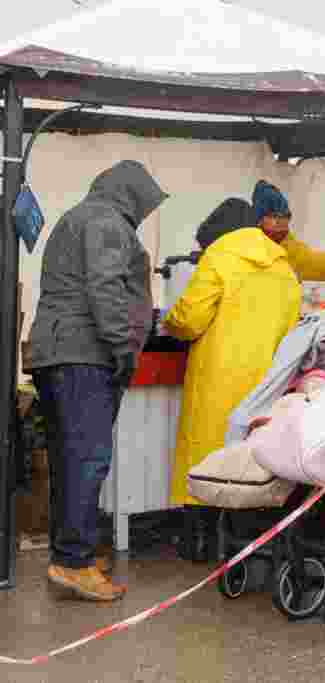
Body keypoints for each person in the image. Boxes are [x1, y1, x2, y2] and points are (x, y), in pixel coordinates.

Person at [25, 160, 168, 601]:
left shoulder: (82, 216)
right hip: (84, 353)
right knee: (87, 460)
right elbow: (105, 290)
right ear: (130, 194)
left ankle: (70, 554)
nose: (145, 213)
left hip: (60, 352)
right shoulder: (107, 222)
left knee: (71, 460)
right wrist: (124, 349)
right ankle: (73, 562)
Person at [163, 198, 303, 559]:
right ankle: (245, 543)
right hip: (265, 383)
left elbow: (189, 318)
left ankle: (200, 544)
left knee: (204, 457)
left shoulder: (219, 257)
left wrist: (169, 321)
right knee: (249, 461)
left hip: (216, 376)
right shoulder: (284, 268)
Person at [252, 179, 325, 282]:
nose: (280, 222)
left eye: (285, 216)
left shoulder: (290, 249)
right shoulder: (247, 247)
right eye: (273, 216)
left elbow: (312, 262)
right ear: (259, 220)